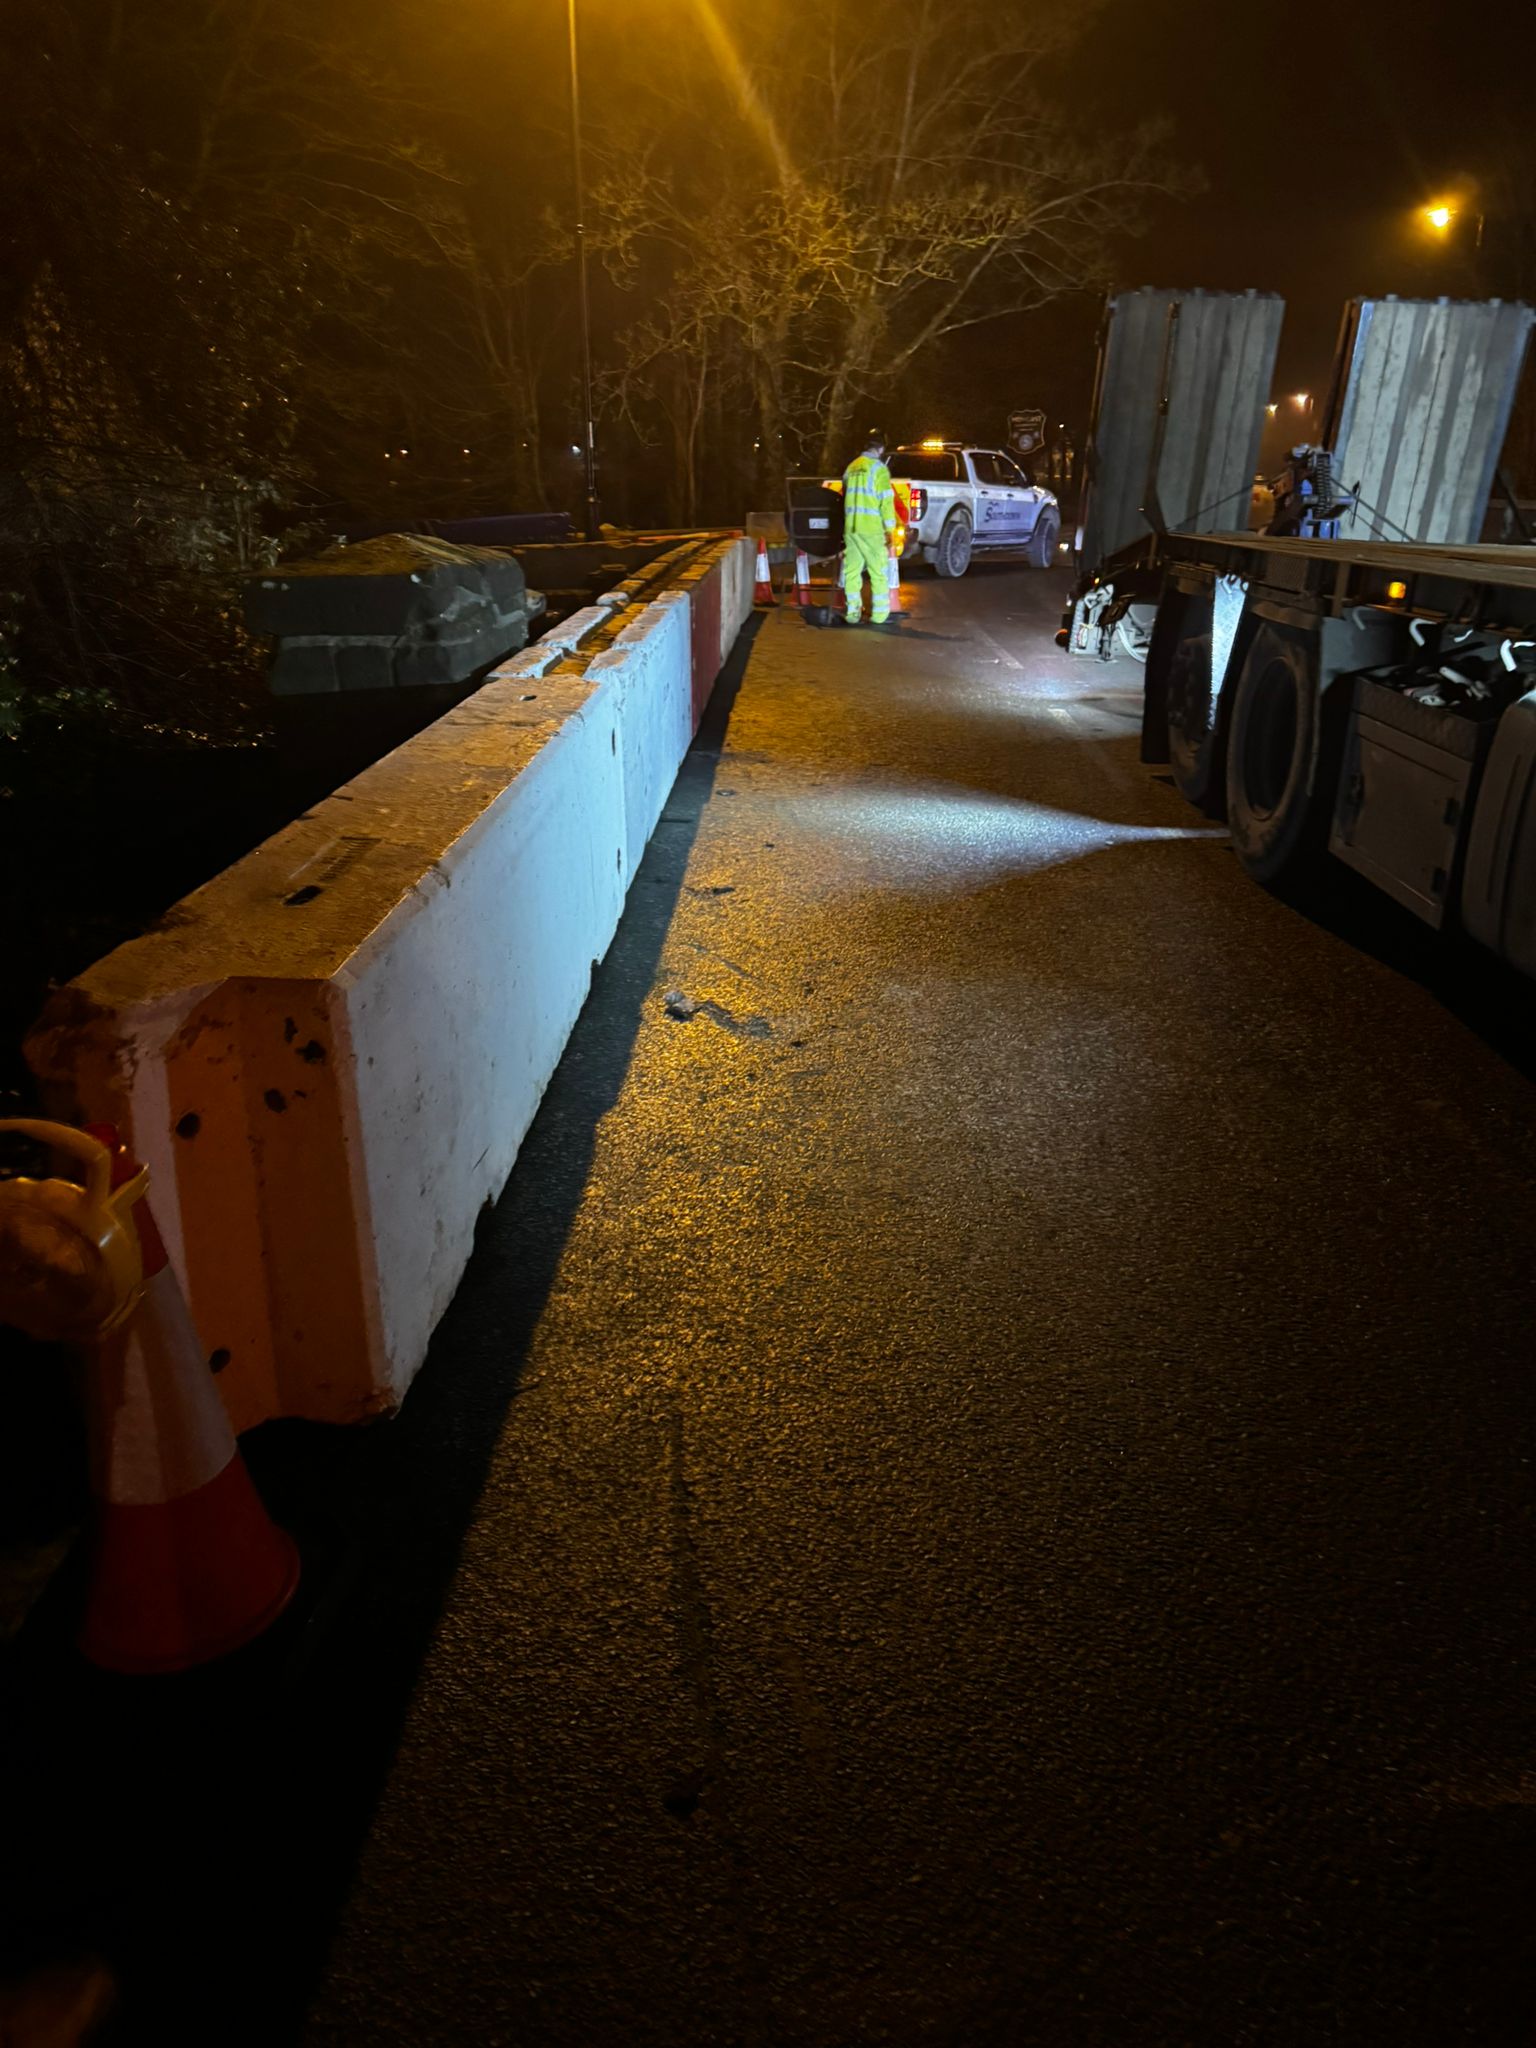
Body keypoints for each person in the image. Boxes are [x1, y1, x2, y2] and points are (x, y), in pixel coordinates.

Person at [840, 428, 898, 626]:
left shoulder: (851, 467)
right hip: (871, 529)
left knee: (851, 572)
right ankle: (880, 616)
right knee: (878, 572)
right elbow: (886, 502)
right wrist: (890, 529)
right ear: (880, 448)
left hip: (851, 529)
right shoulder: (879, 469)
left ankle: (852, 614)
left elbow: (845, 494)